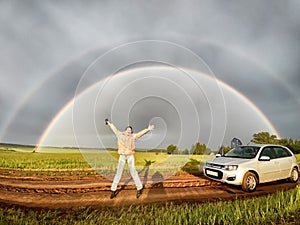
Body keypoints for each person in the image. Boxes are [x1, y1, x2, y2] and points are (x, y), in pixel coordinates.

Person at [105, 119, 154, 199]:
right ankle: (113, 190)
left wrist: (147, 129)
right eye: (128, 129)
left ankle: (139, 188)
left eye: (130, 130)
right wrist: (109, 123)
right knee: (118, 173)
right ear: (125, 130)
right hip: (122, 156)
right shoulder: (120, 134)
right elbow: (114, 129)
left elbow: (140, 134)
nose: (129, 131)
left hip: (130, 156)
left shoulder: (133, 137)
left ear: (131, 132)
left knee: (133, 172)